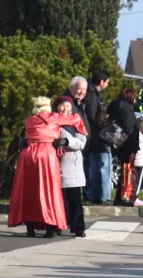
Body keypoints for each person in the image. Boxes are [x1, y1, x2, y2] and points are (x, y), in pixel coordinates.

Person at [8, 97, 69, 238]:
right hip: (47, 154)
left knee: (29, 190)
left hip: (28, 155)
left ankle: (30, 227)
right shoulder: (54, 118)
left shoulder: (29, 120)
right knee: (50, 190)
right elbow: (75, 119)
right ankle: (51, 227)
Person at [54, 96, 88, 237]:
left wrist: (66, 141)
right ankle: (58, 225)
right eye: (62, 105)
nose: (65, 108)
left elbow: (81, 142)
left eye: (68, 105)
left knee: (75, 199)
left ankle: (78, 227)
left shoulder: (77, 121)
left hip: (72, 165)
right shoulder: (52, 121)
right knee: (58, 199)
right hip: (55, 164)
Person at [79, 72, 113, 203]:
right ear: (102, 82)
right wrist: (105, 121)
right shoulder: (93, 96)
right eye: (107, 81)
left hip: (92, 138)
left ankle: (95, 195)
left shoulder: (90, 94)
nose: (108, 84)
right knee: (103, 167)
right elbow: (93, 117)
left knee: (93, 167)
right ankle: (104, 196)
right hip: (98, 136)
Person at [108, 83, 139, 203]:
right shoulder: (127, 109)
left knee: (123, 170)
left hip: (118, 143)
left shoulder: (115, 105)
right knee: (128, 171)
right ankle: (125, 196)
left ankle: (121, 196)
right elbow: (129, 127)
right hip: (128, 145)